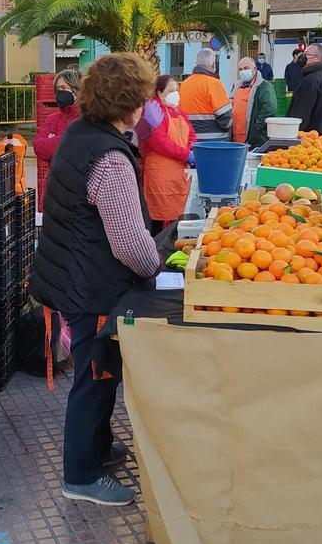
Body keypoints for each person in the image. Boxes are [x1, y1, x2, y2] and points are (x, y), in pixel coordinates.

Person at [33, 52, 162, 507]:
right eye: (144, 100)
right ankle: (80, 474)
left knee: (102, 371)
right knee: (95, 374)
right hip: (92, 285)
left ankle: (99, 447)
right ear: (130, 105)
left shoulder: (81, 135)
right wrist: (155, 269)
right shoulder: (109, 158)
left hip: (73, 273)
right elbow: (129, 241)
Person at [137, 75, 196, 232]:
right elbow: (159, 142)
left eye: (177, 90)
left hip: (179, 174)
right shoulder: (153, 110)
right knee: (158, 216)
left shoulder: (178, 111)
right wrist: (186, 154)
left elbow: (191, 134)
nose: (175, 94)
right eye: (170, 91)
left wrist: (191, 150)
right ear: (158, 92)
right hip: (160, 174)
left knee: (176, 215)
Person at [34, 70, 83, 208]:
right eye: (57, 89)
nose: (59, 93)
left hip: (77, 190)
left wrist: (54, 139)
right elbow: (39, 147)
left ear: (77, 90)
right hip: (53, 189)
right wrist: (69, 139)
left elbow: (79, 148)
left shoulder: (86, 119)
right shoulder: (52, 119)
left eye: (63, 88)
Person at [178, 48, 232, 143]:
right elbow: (225, 117)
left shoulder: (184, 84)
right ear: (213, 64)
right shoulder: (213, 83)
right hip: (214, 143)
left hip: (191, 141)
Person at [230, 57, 281, 148]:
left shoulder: (264, 86)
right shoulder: (236, 86)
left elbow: (269, 109)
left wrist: (256, 128)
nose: (243, 71)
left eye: (246, 68)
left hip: (255, 139)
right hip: (236, 138)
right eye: (240, 69)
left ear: (254, 69)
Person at [285, 43, 322, 135]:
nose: (303, 56)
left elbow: (300, 115)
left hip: (308, 139)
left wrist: (291, 134)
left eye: (307, 54)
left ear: (316, 58)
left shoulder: (310, 80)